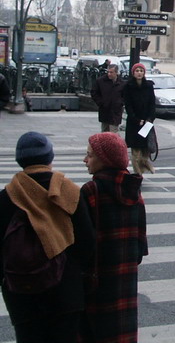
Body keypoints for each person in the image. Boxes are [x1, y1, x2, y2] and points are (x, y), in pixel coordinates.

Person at [0, 132, 95, 343]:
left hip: (22, 292)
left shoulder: (6, 197)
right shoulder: (69, 191)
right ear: (49, 158)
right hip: (65, 290)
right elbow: (87, 243)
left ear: (19, 160)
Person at [80, 132, 147, 343]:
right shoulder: (134, 192)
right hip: (125, 282)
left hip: (96, 284)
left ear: (104, 160)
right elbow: (139, 248)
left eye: (89, 155)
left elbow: (81, 245)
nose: (84, 160)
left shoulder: (91, 190)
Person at [123, 63, 156, 175]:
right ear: (133, 73)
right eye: (137, 71)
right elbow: (128, 105)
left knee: (145, 151)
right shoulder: (128, 86)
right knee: (136, 152)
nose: (139, 73)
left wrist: (150, 118)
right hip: (134, 123)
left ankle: (144, 165)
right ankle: (138, 175)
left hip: (147, 123)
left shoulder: (149, 86)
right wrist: (136, 119)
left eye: (141, 71)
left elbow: (152, 104)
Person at [90, 63, 125, 133]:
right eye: (108, 72)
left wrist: (120, 102)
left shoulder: (122, 83)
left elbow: (125, 95)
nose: (109, 74)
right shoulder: (100, 81)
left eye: (111, 72)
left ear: (116, 73)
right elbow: (94, 93)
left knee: (113, 132)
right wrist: (100, 102)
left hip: (116, 110)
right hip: (105, 109)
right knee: (104, 131)